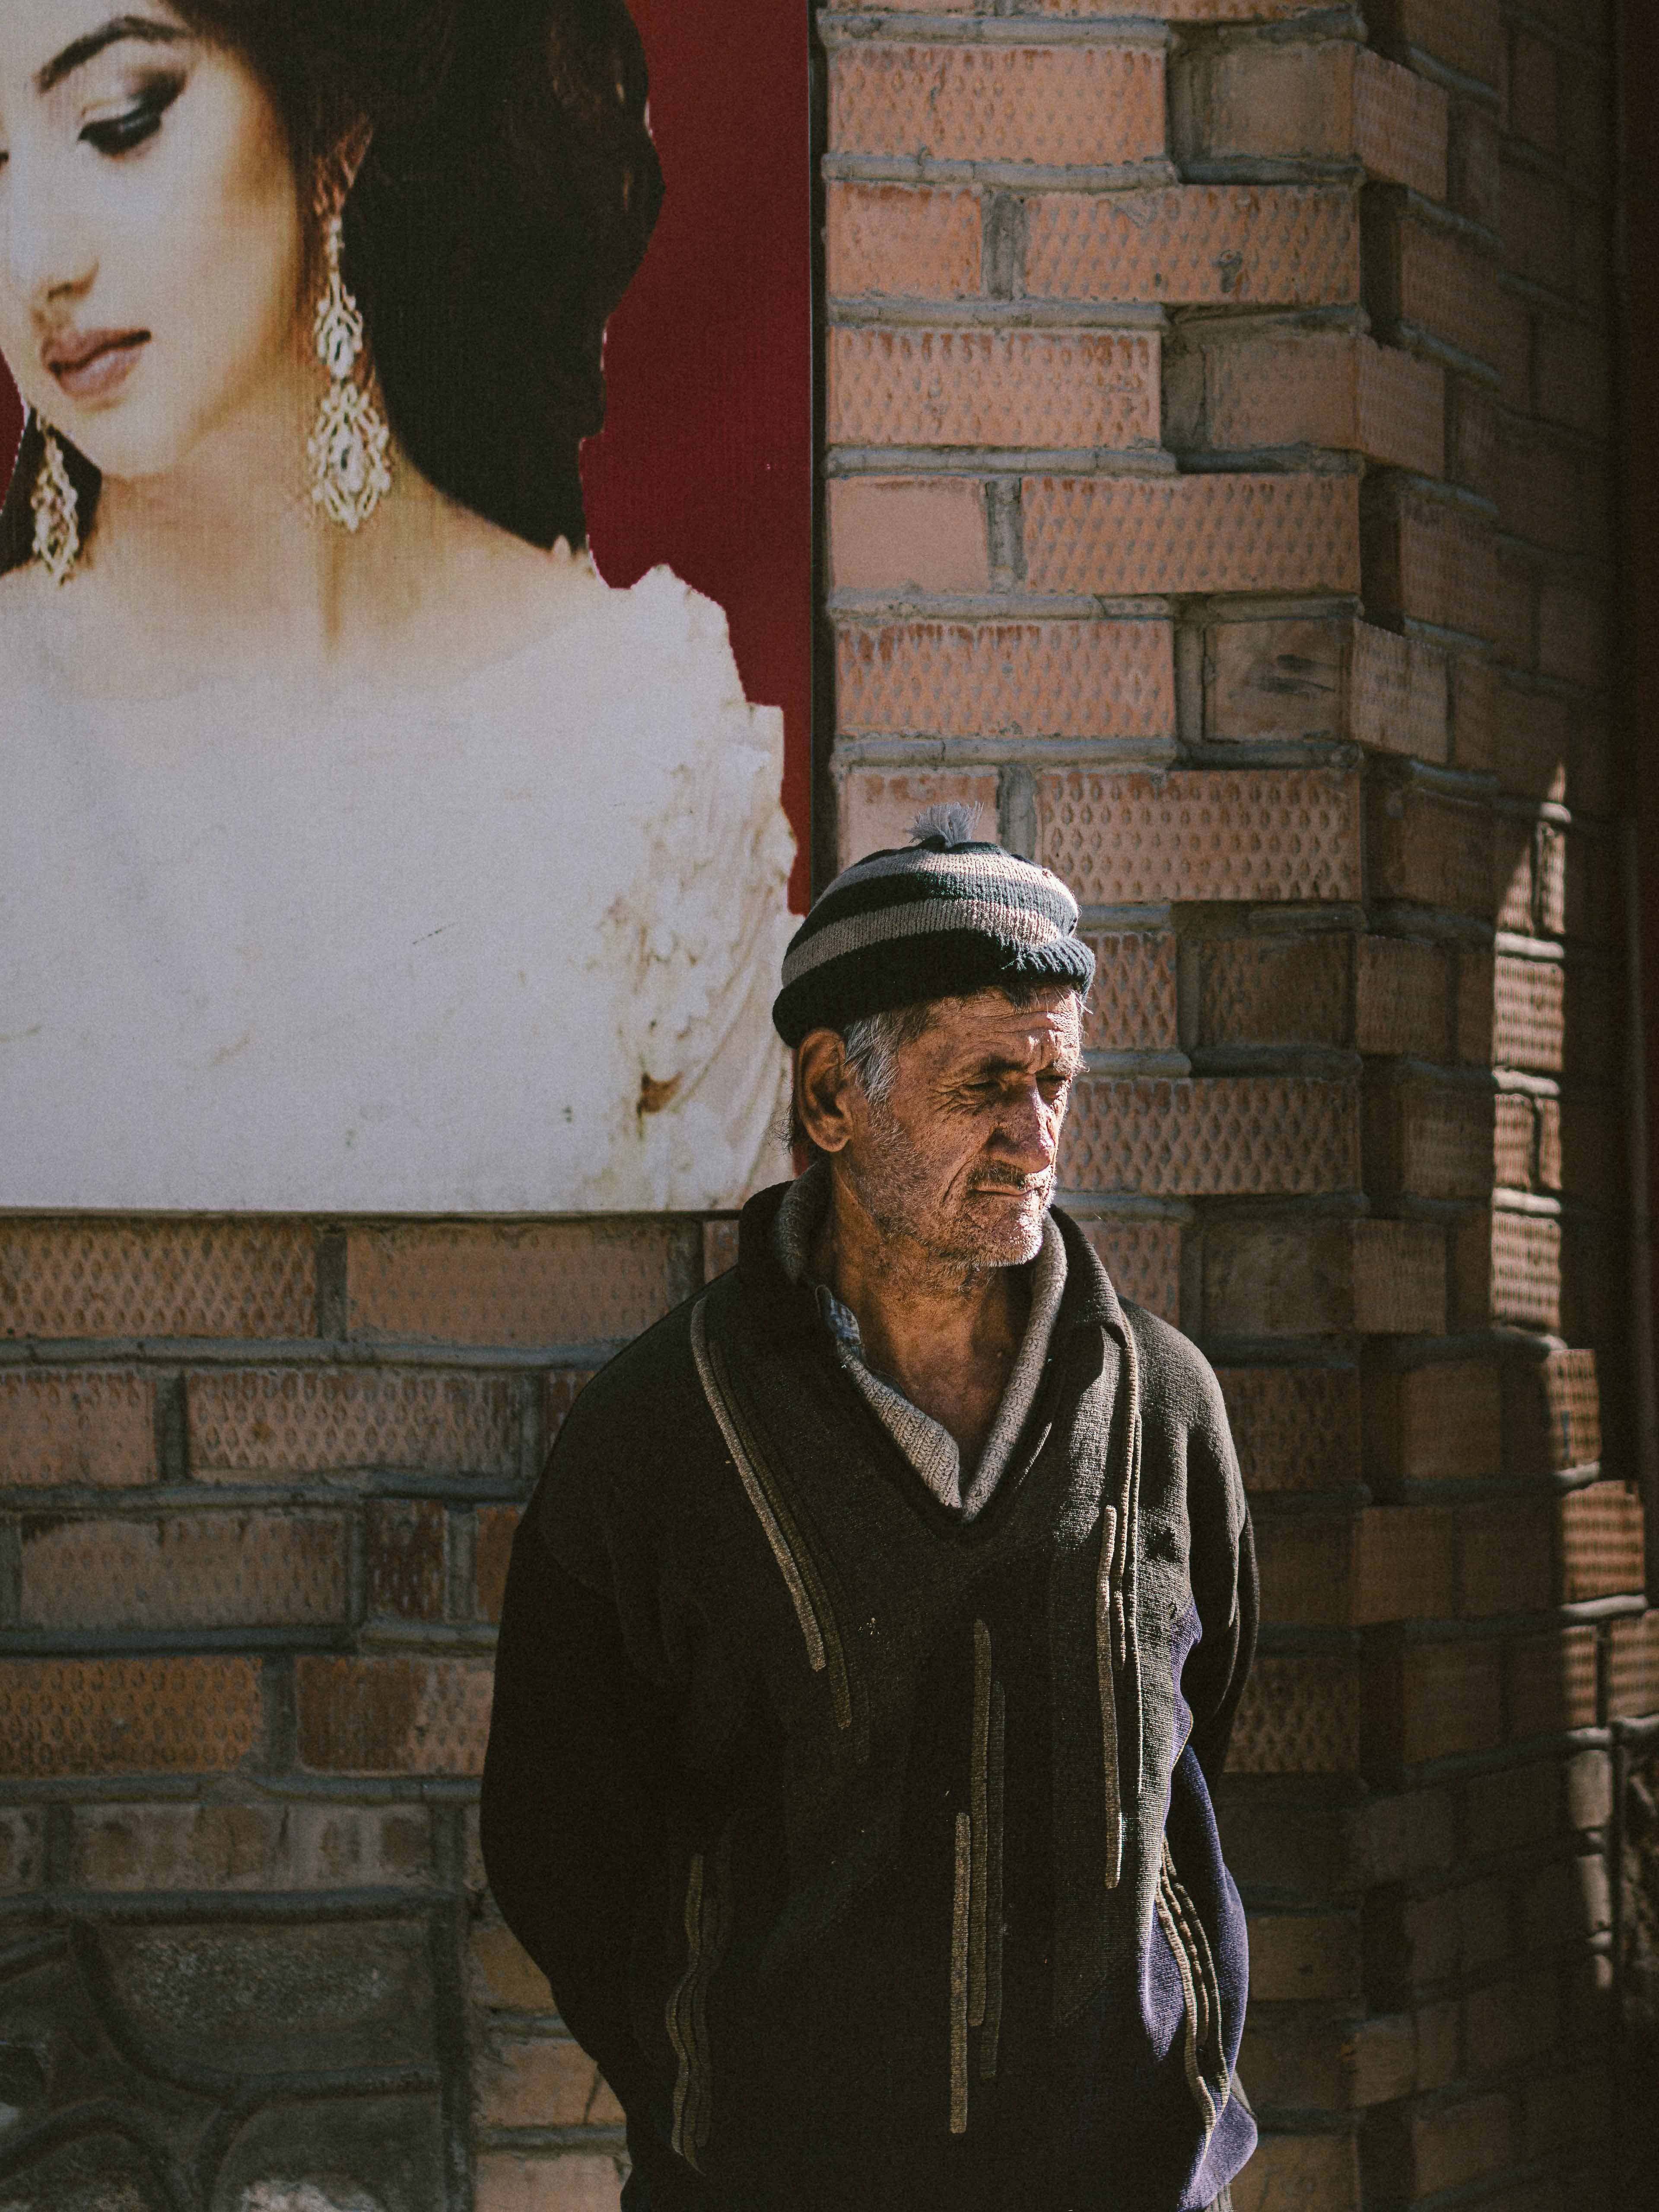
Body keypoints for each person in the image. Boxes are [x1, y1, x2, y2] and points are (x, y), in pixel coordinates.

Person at [482, 810, 1259, 2212]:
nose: (1036, 1137)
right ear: (833, 1095)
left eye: (1056, 1081)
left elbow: (1206, 1738)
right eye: (986, 1087)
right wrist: (714, 2097)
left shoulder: (1165, 1407)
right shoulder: (663, 1430)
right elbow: (557, 1837)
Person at [0, 0, 794, 1213]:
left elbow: (743, 1311)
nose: (36, 263)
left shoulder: (643, 734)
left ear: (333, 128)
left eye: (119, 123)